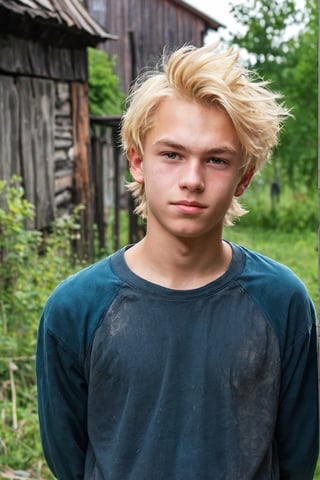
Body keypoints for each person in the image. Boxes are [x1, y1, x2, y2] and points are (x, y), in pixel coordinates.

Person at [36, 43, 319, 480]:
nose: (192, 180)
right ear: (137, 161)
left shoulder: (283, 304)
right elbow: (68, 457)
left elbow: (298, 456)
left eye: (217, 160)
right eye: (172, 154)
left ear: (243, 177)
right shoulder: (75, 309)